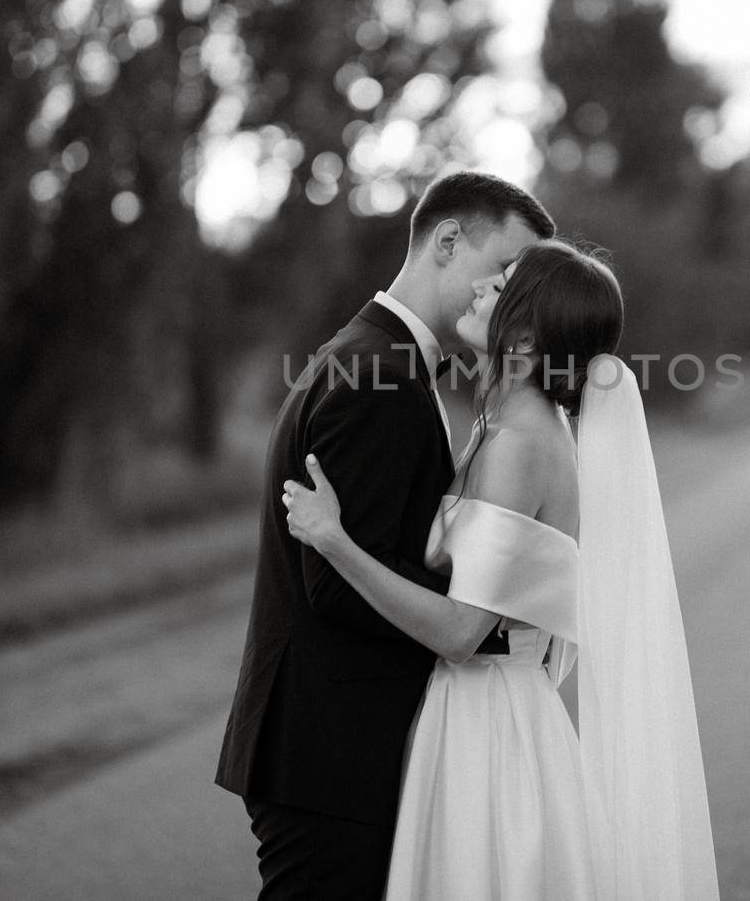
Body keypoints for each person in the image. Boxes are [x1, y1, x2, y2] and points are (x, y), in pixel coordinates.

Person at [282, 241, 720, 899]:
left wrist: (334, 539)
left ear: (526, 330)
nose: (482, 289)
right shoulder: (508, 427)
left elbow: (461, 632)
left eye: (503, 285)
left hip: (491, 728)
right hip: (493, 706)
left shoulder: (518, 446)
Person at [214, 171, 554, 899]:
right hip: (330, 751)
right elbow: (334, 584)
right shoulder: (380, 376)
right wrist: (491, 628)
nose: (508, 297)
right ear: (447, 239)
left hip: (330, 745)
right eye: (502, 272)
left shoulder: (382, 358)